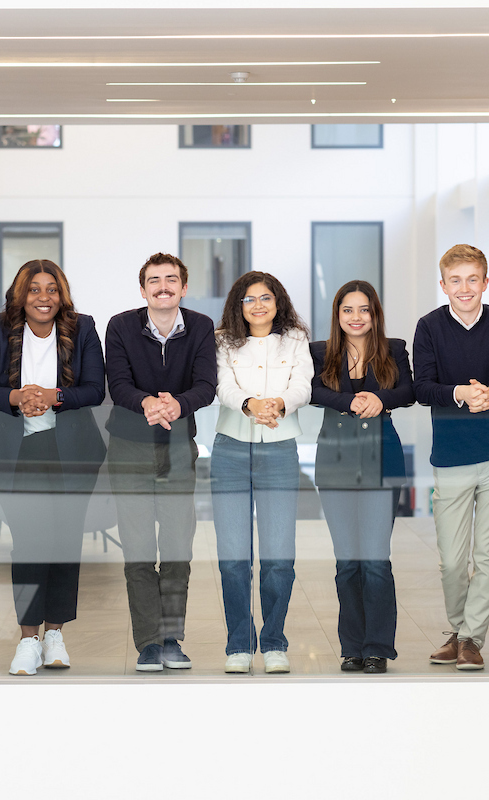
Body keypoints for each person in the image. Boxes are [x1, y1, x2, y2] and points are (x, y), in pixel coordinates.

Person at [0, 260, 106, 676]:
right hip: (17, 451)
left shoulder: (82, 327)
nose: (43, 298)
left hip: (71, 452)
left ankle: (55, 635)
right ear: (20, 295)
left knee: (65, 542)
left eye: (51, 289)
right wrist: (18, 398)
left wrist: (53, 395)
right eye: (34, 290)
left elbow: (95, 389)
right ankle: (28, 638)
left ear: (61, 295)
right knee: (29, 542)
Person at [105, 253, 217, 672]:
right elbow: (117, 384)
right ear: (143, 289)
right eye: (154, 280)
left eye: (172, 280)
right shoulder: (120, 325)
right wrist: (148, 402)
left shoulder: (202, 327)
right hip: (129, 446)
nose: (163, 286)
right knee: (137, 550)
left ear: (183, 288)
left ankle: (172, 638)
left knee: (176, 549)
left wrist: (177, 404)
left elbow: (206, 385)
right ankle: (148, 643)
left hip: (178, 448)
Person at [412, 244, 489, 671]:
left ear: (485, 282)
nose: (464, 288)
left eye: (472, 279)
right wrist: (460, 393)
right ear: (443, 285)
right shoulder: (429, 327)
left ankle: (472, 639)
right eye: (455, 280)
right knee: (454, 560)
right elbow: (422, 388)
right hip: (452, 456)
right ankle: (458, 629)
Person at [310, 281, 414, 674]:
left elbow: (409, 391)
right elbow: (312, 392)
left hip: (381, 457)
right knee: (347, 562)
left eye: (364, 309)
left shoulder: (394, 349)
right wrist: (350, 401)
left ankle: (378, 647)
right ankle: (351, 646)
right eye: (348, 310)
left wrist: (380, 399)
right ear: (338, 315)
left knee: (374, 560)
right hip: (335, 459)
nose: (356, 317)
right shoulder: (320, 352)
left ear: (375, 314)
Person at [211, 271, 312, 674]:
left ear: (278, 302)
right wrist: (252, 404)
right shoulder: (221, 340)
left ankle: (273, 641)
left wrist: (279, 406)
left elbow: (303, 384)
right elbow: (222, 385)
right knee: (233, 557)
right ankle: (238, 644)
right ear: (238, 305)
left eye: (265, 297)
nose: (257, 305)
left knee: (278, 557)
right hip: (230, 450)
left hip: (280, 449)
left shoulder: (296, 340)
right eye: (248, 299)